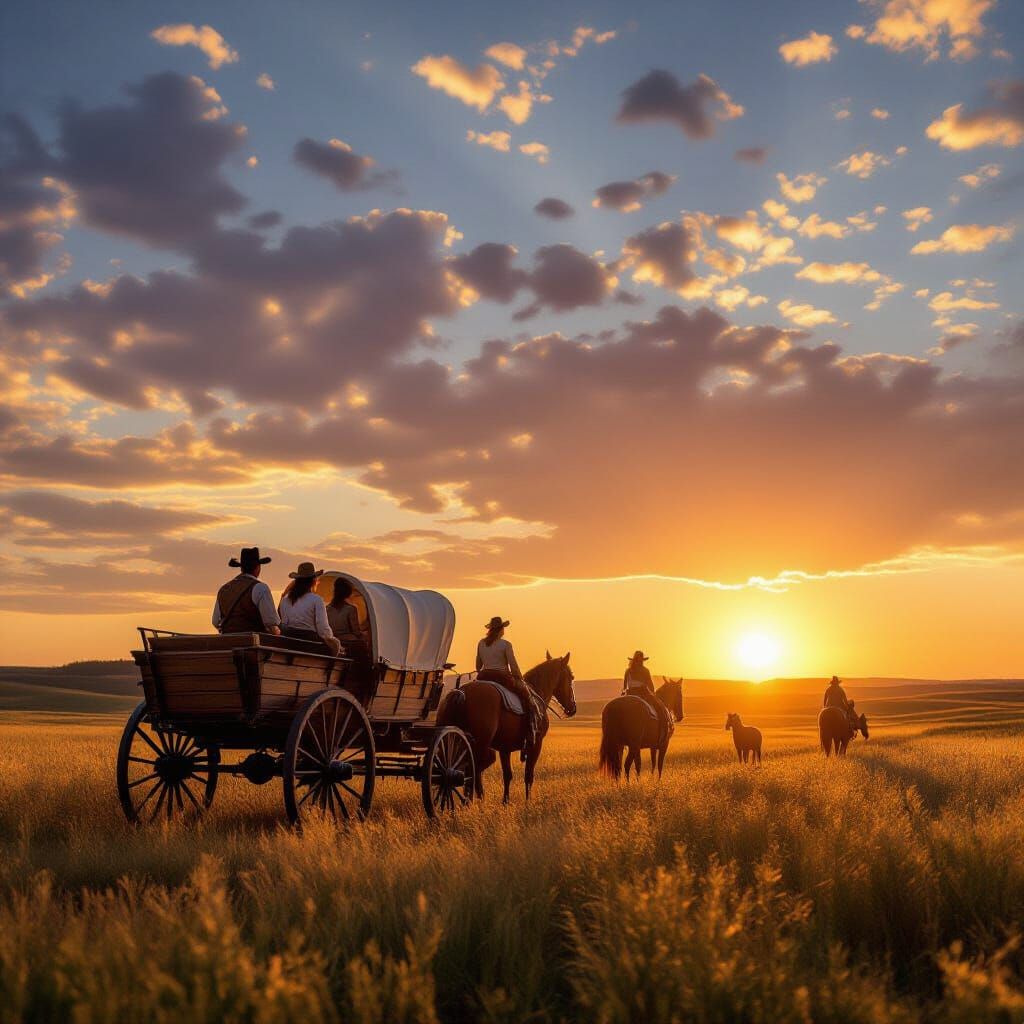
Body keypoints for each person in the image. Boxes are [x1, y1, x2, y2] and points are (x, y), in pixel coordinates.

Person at [475, 616, 538, 760]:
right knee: (528, 698)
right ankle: (530, 733)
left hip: (484, 676)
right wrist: (520, 678)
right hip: (502, 677)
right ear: (501, 630)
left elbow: (478, 666)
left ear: (490, 629)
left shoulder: (481, 643)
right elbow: (513, 666)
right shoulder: (505, 645)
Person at [212, 547, 281, 635]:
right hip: (253, 643)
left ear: (241, 568)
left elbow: (215, 622)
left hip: (228, 641)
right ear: (258, 567)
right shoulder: (260, 588)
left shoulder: (223, 589)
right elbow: (271, 622)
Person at [277, 562, 340, 655]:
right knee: (336, 644)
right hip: (308, 642)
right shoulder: (316, 600)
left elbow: (284, 623)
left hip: (288, 641)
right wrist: (332, 640)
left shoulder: (285, 600)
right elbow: (323, 629)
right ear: (313, 581)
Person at [327, 577, 371, 683]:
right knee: (365, 646)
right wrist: (365, 635)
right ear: (348, 592)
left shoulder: (327, 608)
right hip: (348, 641)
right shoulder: (351, 609)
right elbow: (356, 632)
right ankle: (365, 679)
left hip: (333, 640)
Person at [623, 650, 670, 740]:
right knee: (660, 708)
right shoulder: (645, 671)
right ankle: (663, 730)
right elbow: (651, 686)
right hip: (643, 694)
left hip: (629, 694)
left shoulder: (628, 671)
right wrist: (653, 693)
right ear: (642, 661)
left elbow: (624, 687)